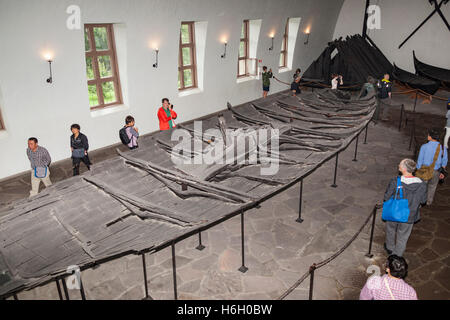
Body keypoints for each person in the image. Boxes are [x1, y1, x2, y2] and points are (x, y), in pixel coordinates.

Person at [383, 159, 427, 257]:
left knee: (390, 229)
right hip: (409, 215)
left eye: (400, 164)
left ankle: (390, 247)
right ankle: (397, 255)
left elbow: (386, 197)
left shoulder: (395, 181)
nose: (398, 164)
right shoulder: (422, 184)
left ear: (404, 169)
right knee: (403, 236)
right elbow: (423, 201)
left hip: (394, 212)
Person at [416, 128, 448, 205]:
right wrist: (442, 172)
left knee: (423, 186)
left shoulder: (424, 146)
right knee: (432, 186)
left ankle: (420, 201)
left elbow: (420, 160)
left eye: (428, 135)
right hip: (436, 171)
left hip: (425, 170)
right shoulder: (443, 148)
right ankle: (429, 201)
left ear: (430, 137)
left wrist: (418, 170)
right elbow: (444, 161)